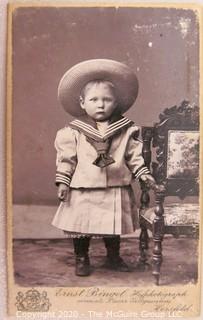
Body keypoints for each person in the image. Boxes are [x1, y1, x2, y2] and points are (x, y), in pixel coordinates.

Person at [52, 59, 156, 276]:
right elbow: (67, 159)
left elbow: (133, 155)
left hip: (114, 185)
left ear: (115, 103)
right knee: (80, 226)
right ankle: (82, 257)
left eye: (107, 100)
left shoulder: (126, 130)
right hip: (83, 186)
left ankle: (113, 257)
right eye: (94, 99)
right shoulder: (73, 132)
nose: (100, 104)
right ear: (82, 103)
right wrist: (63, 182)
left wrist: (143, 173)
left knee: (112, 223)